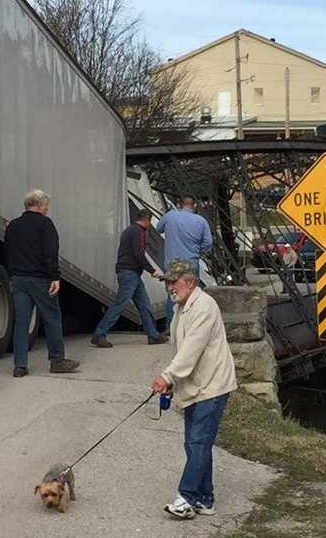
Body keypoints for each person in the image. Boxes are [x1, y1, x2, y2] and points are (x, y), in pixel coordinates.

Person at [152, 258, 237, 520]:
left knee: (198, 441)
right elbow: (181, 350)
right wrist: (173, 382)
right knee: (195, 443)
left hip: (212, 385)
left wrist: (167, 376)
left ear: (190, 282)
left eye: (174, 282)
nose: (169, 287)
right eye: (167, 282)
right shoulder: (182, 306)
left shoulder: (204, 307)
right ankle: (205, 498)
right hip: (196, 384)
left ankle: (187, 497)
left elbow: (191, 350)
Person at [4, 189, 79, 378]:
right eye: (46, 206)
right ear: (39, 205)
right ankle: (57, 360)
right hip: (40, 279)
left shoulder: (13, 225)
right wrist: (55, 277)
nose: (47, 209)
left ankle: (20, 365)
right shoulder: (45, 224)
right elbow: (50, 253)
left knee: (21, 322)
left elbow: (7, 250)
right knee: (52, 318)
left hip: (18, 279)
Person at [91, 206, 166, 347]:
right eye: (150, 222)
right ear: (147, 220)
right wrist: (151, 270)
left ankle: (153, 335)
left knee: (144, 304)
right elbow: (139, 253)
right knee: (120, 304)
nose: (149, 225)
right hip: (130, 273)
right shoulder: (139, 232)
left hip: (130, 273)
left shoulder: (128, 230)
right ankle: (99, 334)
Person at [156, 196, 213, 337]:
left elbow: (158, 229)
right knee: (192, 294)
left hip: (172, 264)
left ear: (179, 205)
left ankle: (171, 325)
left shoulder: (170, 216)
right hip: (191, 263)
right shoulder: (201, 221)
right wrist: (197, 251)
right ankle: (191, 325)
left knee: (172, 294)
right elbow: (208, 242)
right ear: (194, 205)